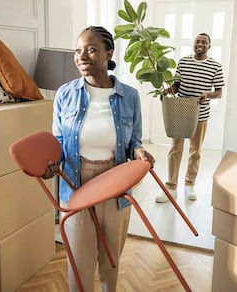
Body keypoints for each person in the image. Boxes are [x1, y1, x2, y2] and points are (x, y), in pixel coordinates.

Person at [43, 26, 155, 292]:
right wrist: (50, 163)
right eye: (78, 50)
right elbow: (57, 142)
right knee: (79, 265)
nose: (82, 56)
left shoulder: (130, 96)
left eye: (91, 49)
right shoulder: (65, 94)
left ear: (109, 54)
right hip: (75, 185)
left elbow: (133, 142)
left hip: (115, 185)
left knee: (110, 263)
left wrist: (139, 153)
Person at [155, 33, 225, 203]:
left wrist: (207, 94)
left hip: (200, 115)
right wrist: (165, 91)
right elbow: (176, 86)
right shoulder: (183, 62)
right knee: (175, 149)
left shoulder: (215, 66)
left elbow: (219, 92)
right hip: (180, 113)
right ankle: (171, 187)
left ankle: (189, 184)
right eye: (197, 41)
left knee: (195, 151)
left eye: (204, 42)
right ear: (193, 44)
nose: (200, 44)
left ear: (209, 46)